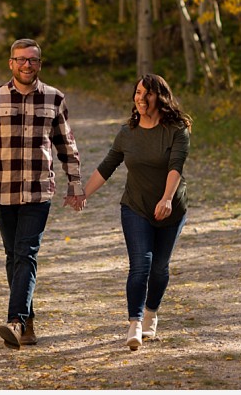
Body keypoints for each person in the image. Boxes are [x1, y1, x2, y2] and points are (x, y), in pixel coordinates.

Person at [0, 38, 84, 348]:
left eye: (32, 60)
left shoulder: (55, 100)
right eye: (20, 59)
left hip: (38, 191)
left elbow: (66, 147)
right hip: (2, 192)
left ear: (39, 65)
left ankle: (15, 321)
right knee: (13, 255)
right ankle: (28, 322)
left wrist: (75, 184)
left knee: (26, 253)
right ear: (11, 63)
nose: (26, 65)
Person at [66, 73, 191, 350]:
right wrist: (83, 193)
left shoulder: (177, 130)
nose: (140, 98)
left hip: (171, 209)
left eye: (147, 93)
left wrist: (167, 198)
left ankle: (151, 313)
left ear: (160, 97)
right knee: (141, 264)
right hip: (135, 207)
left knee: (159, 269)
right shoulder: (127, 133)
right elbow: (108, 165)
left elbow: (176, 167)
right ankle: (134, 323)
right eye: (137, 92)